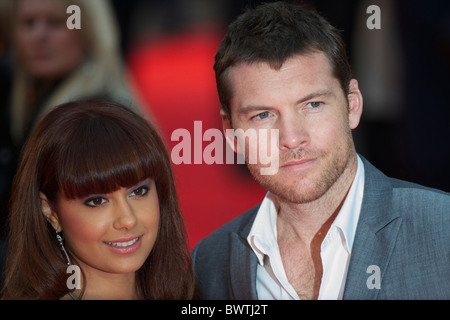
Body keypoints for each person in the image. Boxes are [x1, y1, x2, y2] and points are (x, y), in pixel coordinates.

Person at [192, 2, 450, 300]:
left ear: (352, 105)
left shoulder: (442, 230)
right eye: (263, 115)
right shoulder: (210, 263)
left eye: (312, 105)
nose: (291, 138)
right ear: (231, 133)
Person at [1, 99, 196, 299]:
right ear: (51, 212)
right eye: (97, 201)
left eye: (138, 192)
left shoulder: (193, 293)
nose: (128, 220)